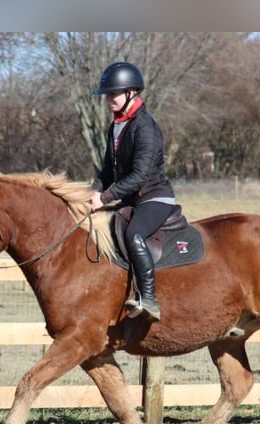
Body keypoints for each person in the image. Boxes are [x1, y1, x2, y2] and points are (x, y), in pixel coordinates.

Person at [89, 61, 177, 322]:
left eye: (113, 94)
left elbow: (139, 177)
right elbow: (106, 171)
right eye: (107, 94)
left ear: (131, 93)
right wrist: (92, 191)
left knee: (134, 233)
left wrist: (105, 197)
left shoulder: (145, 127)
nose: (108, 99)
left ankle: (148, 298)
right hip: (129, 198)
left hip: (153, 197)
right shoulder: (115, 126)